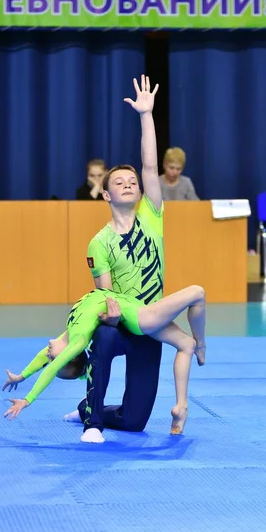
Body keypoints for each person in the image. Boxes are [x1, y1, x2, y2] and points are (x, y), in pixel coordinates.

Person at [61, 75, 170, 443]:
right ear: (106, 195)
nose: (128, 183)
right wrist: (110, 313)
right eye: (118, 181)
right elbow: (105, 296)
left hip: (149, 323)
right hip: (121, 321)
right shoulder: (99, 242)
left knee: (135, 421)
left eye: (132, 180)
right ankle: (93, 421)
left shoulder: (151, 216)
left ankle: (83, 410)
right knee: (105, 336)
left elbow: (151, 165)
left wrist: (146, 115)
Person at [2, 284, 206, 439]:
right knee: (197, 292)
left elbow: (44, 360)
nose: (47, 354)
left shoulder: (69, 332)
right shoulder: (78, 340)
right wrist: (28, 400)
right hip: (142, 317)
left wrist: (21, 376)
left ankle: (181, 407)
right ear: (70, 356)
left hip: (135, 308)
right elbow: (52, 367)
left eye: (50, 357)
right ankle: (202, 345)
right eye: (53, 358)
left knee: (187, 345)